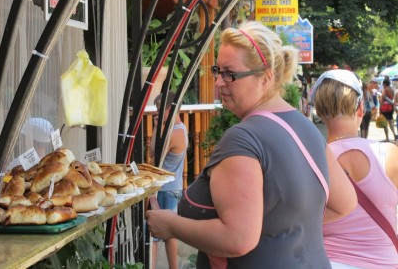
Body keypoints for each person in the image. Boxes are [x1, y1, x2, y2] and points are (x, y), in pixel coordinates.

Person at [146, 21, 357, 268]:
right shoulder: (307, 127)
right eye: (217, 71)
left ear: (265, 79)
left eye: (230, 74)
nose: (218, 83)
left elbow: (237, 239)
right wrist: (279, 230)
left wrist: (170, 225)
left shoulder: (243, 138)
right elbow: (345, 203)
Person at [312, 69, 398, 268]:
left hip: (331, 262)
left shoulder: (313, 160)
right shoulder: (389, 154)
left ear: (318, 109)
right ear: (360, 109)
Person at [149, 90, 188, 269]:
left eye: (159, 109)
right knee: (169, 235)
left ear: (171, 108)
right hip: (173, 187)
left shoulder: (174, 133)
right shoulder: (179, 129)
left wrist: (157, 128)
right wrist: (158, 127)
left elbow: (153, 156)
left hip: (165, 189)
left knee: (155, 235)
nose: (157, 113)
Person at [379, 77, 396, 142]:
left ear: (385, 84)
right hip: (390, 107)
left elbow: (383, 98)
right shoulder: (392, 90)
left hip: (385, 107)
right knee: (390, 122)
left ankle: (387, 138)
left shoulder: (385, 89)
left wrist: (380, 107)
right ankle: (395, 135)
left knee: (385, 123)